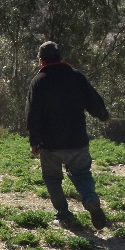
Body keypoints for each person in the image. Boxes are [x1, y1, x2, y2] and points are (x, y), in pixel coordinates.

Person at [26, 40, 110, 230]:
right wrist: (103, 114)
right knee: (82, 175)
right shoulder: (76, 76)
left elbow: (32, 115)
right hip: (77, 141)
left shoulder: (38, 81)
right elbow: (94, 101)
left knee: (52, 180)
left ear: (41, 61)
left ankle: (64, 215)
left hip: (50, 145)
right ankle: (90, 199)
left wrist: (34, 141)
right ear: (60, 57)